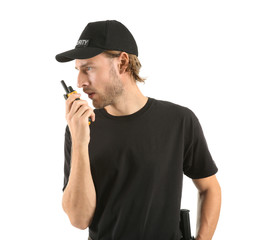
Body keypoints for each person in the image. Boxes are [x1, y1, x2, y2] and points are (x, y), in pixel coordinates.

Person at [55, 20, 221, 240]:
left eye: (89, 68)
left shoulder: (179, 120)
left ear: (122, 62)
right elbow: (78, 219)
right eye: (78, 70)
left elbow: (210, 188)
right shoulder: (80, 128)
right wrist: (79, 140)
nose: (80, 81)